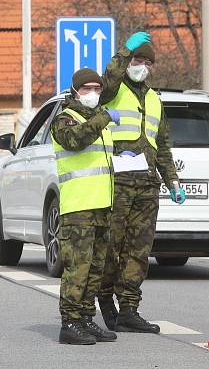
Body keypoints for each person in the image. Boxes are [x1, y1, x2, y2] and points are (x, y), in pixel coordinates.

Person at [97, 31, 186, 334]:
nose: (143, 66)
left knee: (138, 250)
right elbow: (109, 74)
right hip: (117, 182)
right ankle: (105, 302)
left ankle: (129, 310)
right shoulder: (111, 89)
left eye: (148, 62)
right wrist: (125, 49)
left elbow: (162, 145)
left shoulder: (155, 99)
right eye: (138, 59)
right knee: (111, 246)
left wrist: (172, 180)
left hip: (147, 185)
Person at [50, 68, 121, 345]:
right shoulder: (65, 119)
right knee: (77, 268)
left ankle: (86, 318)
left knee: (95, 269)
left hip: (102, 206)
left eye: (97, 89)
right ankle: (69, 322)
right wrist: (104, 117)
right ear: (76, 91)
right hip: (78, 208)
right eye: (87, 88)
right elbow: (76, 140)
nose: (93, 93)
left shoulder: (99, 122)